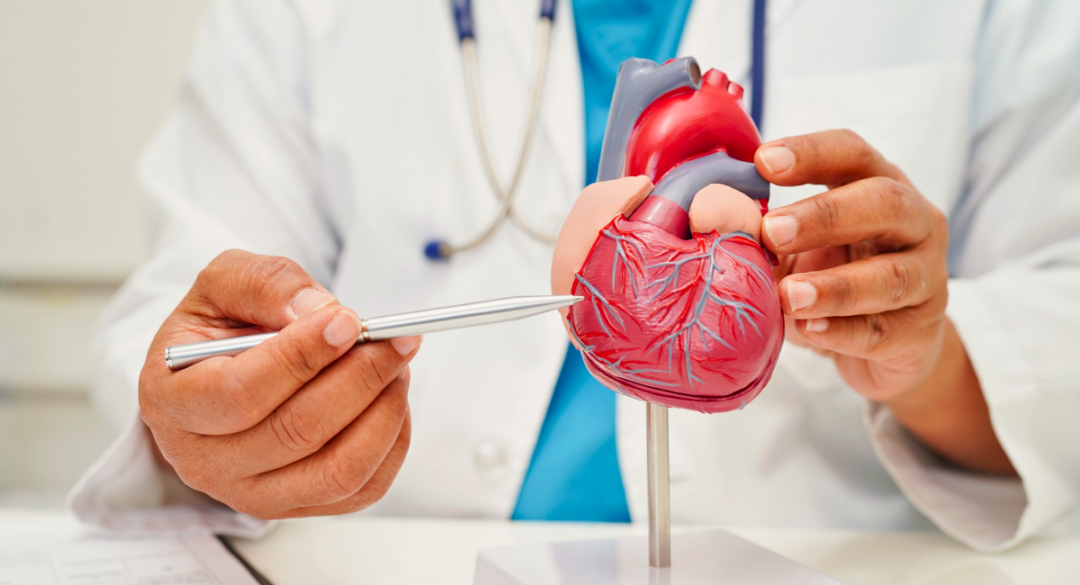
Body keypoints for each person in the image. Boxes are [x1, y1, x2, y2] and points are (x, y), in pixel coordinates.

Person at [72, 0, 1080, 552]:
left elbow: (1061, 300)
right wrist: (222, 418)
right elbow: (186, 313)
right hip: (394, 563)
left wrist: (930, 357)